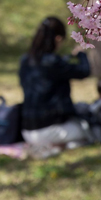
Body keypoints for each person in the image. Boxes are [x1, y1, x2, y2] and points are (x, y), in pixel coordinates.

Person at [18, 17, 91, 155]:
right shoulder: (53, 62)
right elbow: (84, 71)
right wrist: (81, 54)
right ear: (58, 39)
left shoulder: (25, 60)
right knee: (88, 129)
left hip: (26, 129)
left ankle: (51, 145)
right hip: (48, 128)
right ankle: (54, 146)